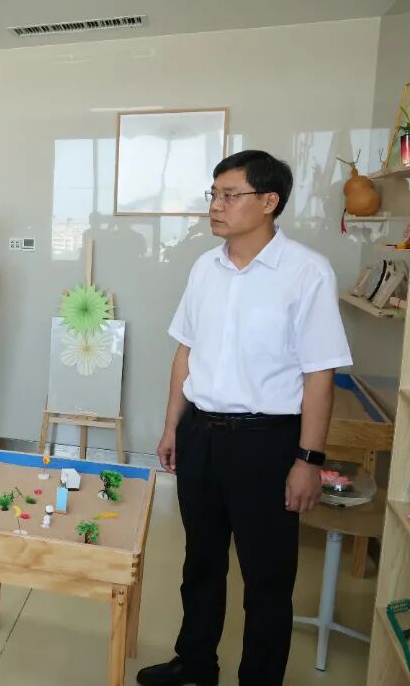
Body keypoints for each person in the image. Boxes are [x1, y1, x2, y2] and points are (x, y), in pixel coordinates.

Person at [137, 151, 351, 686]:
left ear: (269, 201)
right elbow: (184, 353)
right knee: (200, 561)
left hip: (266, 443)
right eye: (213, 194)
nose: (215, 205)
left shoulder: (306, 272)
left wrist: (309, 460)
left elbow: (319, 374)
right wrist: (172, 426)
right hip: (201, 434)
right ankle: (195, 663)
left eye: (229, 195)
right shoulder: (203, 268)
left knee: (267, 578)